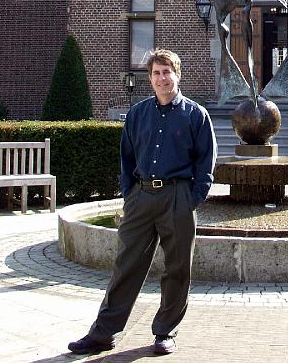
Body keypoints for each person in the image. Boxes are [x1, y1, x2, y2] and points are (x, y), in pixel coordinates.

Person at [68, 48, 217, 356]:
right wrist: (129, 193)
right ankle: (103, 332)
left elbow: (206, 161)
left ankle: (165, 331)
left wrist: (192, 197)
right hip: (141, 196)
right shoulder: (138, 114)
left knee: (177, 268)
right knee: (126, 265)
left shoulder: (195, 115)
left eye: (167, 72)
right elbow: (127, 156)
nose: (162, 78)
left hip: (177, 195)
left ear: (178, 75)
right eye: (156, 73)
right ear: (149, 79)